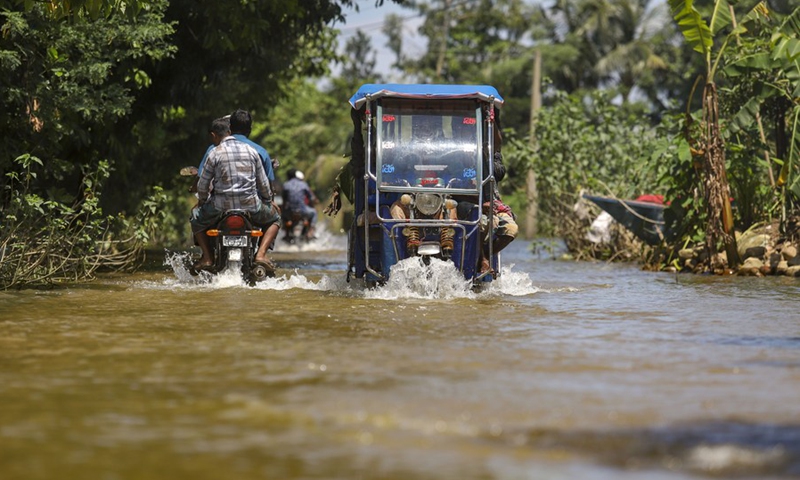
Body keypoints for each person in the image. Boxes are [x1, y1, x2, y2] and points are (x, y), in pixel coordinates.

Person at [190, 117, 281, 273]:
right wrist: (267, 201)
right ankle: (261, 255)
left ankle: (207, 257)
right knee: (276, 218)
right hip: (251, 207)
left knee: (195, 217)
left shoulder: (214, 152)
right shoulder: (253, 151)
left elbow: (202, 185)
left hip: (220, 207)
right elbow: (264, 184)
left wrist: (202, 201)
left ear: (229, 130)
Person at [198, 109, 276, 184]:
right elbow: (268, 184)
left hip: (221, 196)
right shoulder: (260, 152)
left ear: (230, 128)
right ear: (250, 129)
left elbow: (201, 178)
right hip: (252, 197)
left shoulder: (214, 149)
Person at [281, 169, 318, 240]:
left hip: (290, 212)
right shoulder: (303, 184)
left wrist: (283, 211)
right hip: (303, 211)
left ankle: (286, 233)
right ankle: (310, 231)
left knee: (283, 216)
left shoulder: (286, 185)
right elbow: (312, 198)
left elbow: (284, 201)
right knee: (314, 213)